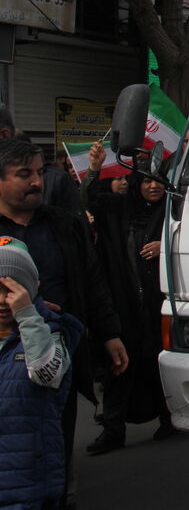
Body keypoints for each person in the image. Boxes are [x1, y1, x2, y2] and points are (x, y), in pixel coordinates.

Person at [0, 138, 127, 506]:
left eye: (40, 172)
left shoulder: (64, 224)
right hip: (6, 359)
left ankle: (58, 495)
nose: (36, 182)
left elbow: (92, 279)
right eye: (24, 174)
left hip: (55, 354)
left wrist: (109, 333)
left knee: (55, 436)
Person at [81, 141, 174, 454]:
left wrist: (165, 246)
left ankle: (169, 419)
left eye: (158, 182)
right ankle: (113, 430)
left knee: (157, 362)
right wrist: (94, 169)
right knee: (119, 366)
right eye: (146, 181)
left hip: (157, 303)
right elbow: (90, 198)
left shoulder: (172, 213)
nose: (152, 186)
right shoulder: (118, 210)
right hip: (122, 303)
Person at [0, 237, 84, 510]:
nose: (2, 300)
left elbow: (47, 374)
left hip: (29, 481)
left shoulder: (52, 330)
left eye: (11, 290)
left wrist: (27, 315)